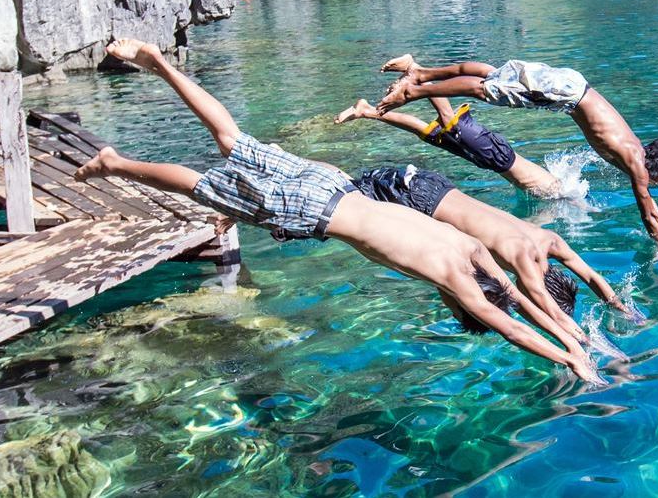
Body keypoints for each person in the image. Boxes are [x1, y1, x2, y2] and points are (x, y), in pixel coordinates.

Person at [72, 39, 601, 383]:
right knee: (205, 186)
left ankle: (160, 62)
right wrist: (570, 360)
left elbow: (519, 301)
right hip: (314, 212)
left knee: (231, 139)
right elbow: (508, 321)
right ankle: (119, 164)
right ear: (462, 304)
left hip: (335, 183)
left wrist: (572, 336)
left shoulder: (473, 250)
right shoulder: (455, 277)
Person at [373, 56, 658, 243]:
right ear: (657, 167)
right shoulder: (636, 163)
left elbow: (651, 208)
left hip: (572, 85)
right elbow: (647, 211)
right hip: (564, 93)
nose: (656, 183)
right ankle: (413, 91)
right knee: (485, 89)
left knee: (492, 74)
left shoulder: (634, 147)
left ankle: (419, 71)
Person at [348, 164, 633, 350]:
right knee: (346, 201)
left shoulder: (550, 242)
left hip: (437, 186)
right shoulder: (525, 264)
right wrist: (588, 344)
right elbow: (549, 312)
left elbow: (593, 277)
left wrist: (621, 307)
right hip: (418, 200)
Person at [335, 97, 568, 198]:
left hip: (489, 160)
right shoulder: (561, 194)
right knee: (447, 118)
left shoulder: (555, 190)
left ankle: (366, 111)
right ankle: (417, 73)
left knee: (425, 133)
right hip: (498, 156)